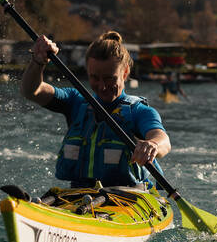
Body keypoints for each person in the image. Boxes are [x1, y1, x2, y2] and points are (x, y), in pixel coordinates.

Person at [20, 31, 171, 189]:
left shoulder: (139, 111)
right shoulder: (75, 102)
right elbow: (31, 91)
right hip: (78, 195)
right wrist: (38, 61)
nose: (102, 86)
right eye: (94, 78)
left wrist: (153, 145)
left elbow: (163, 140)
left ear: (125, 72)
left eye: (109, 78)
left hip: (128, 197)